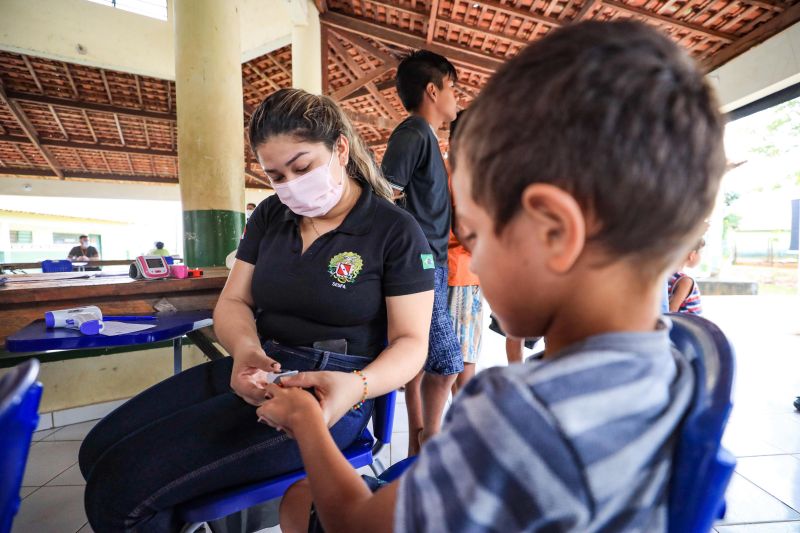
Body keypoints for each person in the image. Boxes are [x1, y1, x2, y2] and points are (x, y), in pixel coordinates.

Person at [258, 19, 727, 533]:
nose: (474, 262)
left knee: (301, 499)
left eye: (477, 235)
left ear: (553, 230)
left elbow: (358, 524)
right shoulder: (698, 353)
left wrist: (305, 422)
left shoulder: (517, 414)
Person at [78, 88, 435, 532]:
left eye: (302, 167)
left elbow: (411, 343)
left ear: (340, 148)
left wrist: (358, 385)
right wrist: (245, 351)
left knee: (119, 488)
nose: (290, 185)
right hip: (259, 362)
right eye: (276, 176)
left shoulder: (393, 231)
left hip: (331, 389)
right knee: (95, 451)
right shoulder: (271, 215)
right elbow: (234, 301)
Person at [381, 50, 462, 455]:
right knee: (448, 361)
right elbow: (385, 191)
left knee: (421, 356)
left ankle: (416, 441)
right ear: (433, 90)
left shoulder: (428, 138)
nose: (457, 98)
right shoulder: (414, 132)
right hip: (422, 262)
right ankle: (431, 437)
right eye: (453, 88)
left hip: (435, 261)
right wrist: (408, 249)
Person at [446, 111, 483, 395]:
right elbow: (461, 222)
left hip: (456, 270)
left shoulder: (448, 167)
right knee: (463, 357)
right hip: (463, 271)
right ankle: (464, 420)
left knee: (454, 358)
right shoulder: (461, 170)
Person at [668, 238, 705, 314]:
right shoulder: (685, 281)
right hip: (686, 325)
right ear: (691, 255)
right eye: (701, 253)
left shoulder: (666, 275)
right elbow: (671, 311)